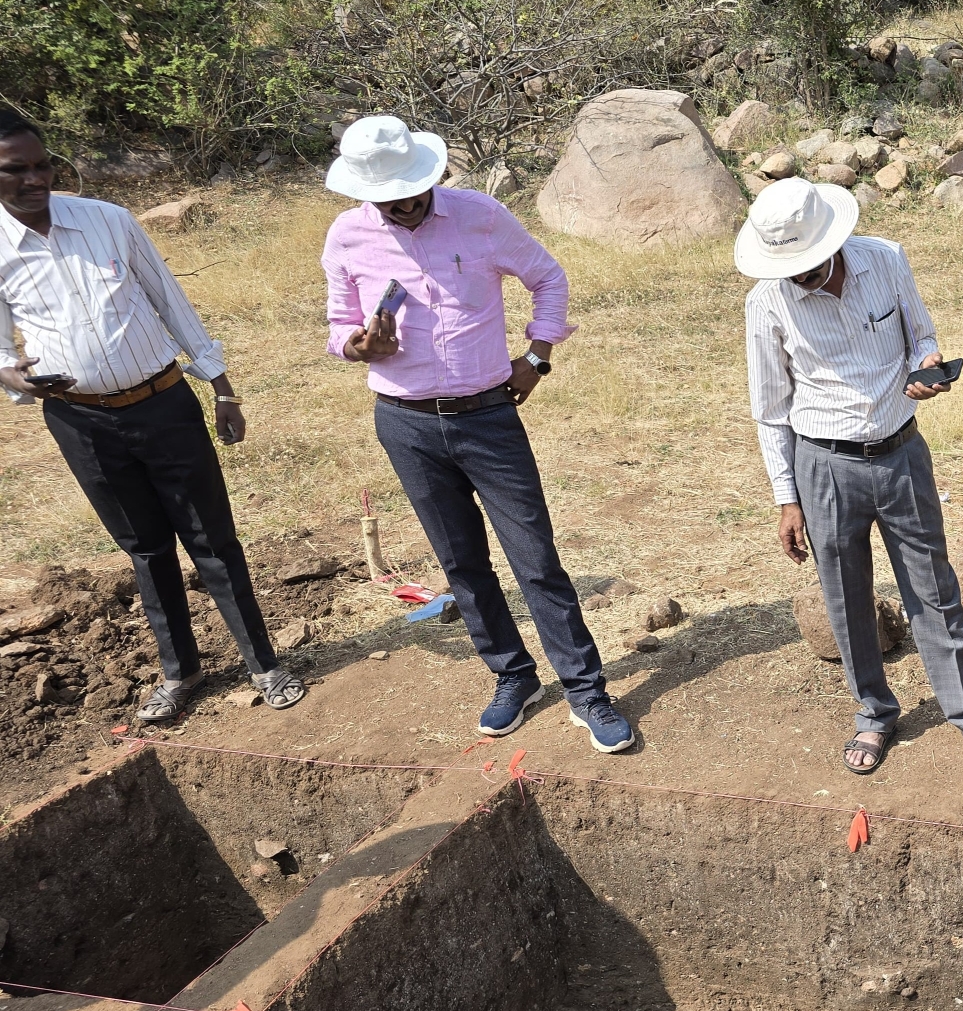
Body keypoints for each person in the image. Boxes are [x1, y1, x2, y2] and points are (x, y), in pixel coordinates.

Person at [320, 115, 632, 752]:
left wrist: (538, 357)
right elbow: (338, 325)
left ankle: (585, 689)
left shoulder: (480, 215)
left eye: (411, 189)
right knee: (460, 561)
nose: (403, 204)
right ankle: (513, 676)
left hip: (489, 414)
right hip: (404, 422)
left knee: (535, 558)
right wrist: (357, 345)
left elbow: (548, 277)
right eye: (388, 197)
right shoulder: (347, 234)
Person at [0, 110, 306, 720]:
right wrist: (17, 378)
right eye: (16, 170)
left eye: (43, 165)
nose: (35, 179)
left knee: (211, 538)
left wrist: (222, 386)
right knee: (144, 548)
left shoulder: (107, 221)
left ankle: (265, 665)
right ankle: (181, 672)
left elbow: (169, 297)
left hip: (164, 403)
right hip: (78, 420)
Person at [736, 176, 963, 776]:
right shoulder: (766, 303)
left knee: (933, 586)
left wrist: (928, 367)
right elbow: (770, 409)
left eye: (809, 266)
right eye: (790, 270)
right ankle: (873, 712)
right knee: (845, 594)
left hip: (901, 452)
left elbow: (924, 336)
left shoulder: (884, 259)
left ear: (832, 242)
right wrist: (787, 498)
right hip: (824, 466)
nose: (801, 278)